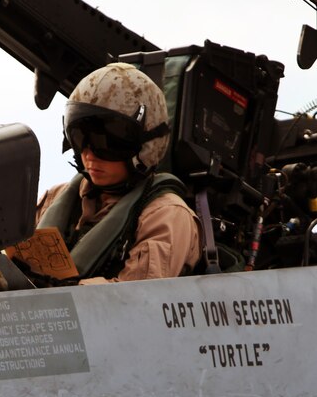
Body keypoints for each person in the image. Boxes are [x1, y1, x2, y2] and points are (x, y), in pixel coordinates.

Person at [35, 63, 201, 285]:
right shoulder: (56, 198)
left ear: (146, 146)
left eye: (107, 141)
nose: (89, 154)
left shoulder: (165, 215)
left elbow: (134, 301)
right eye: (80, 137)